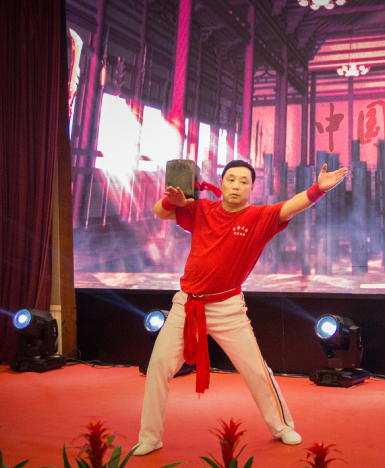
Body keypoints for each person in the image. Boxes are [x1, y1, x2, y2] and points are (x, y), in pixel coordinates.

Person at [134, 159, 348, 455]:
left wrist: (318, 189)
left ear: (251, 188)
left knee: (256, 371)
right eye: (231, 179)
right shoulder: (201, 209)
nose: (236, 185)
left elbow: (291, 206)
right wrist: (173, 201)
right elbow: (160, 211)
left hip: (227, 308)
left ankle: (282, 426)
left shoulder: (259, 217)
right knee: (158, 366)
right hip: (187, 305)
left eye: (243, 181)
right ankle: (150, 437)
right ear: (221, 184)